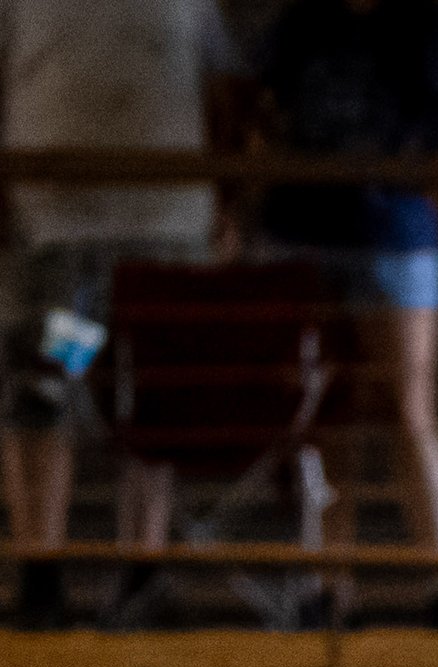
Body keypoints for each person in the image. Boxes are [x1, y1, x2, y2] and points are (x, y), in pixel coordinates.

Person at [0, 0, 242, 628]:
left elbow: (224, 92)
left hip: (158, 234)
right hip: (60, 237)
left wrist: (226, 194)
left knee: (145, 397)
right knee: (49, 387)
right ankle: (40, 568)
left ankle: (144, 565)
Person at [254, 0, 438, 629]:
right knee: (326, 411)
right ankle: (331, 585)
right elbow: (255, 100)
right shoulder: (299, 26)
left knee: (410, 402)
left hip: (395, 232)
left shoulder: (430, 28)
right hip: (304, 228)